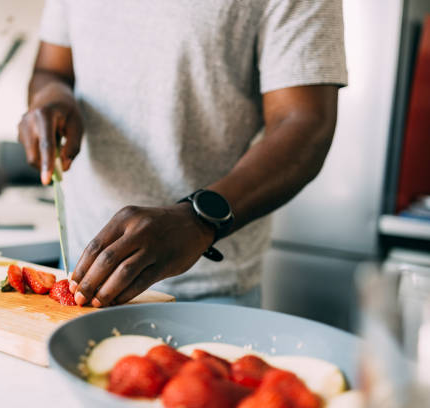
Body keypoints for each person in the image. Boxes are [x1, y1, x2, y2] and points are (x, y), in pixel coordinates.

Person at [18, 0, 347, 308]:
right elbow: (52, 70)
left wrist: (200, 218)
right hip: (80, 272)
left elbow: (304, 122)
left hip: (209, 294)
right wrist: (51, 100)